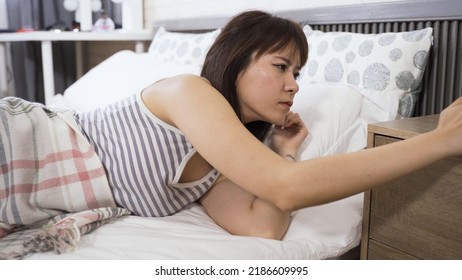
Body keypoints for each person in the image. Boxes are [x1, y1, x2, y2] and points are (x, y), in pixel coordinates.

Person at [2, 10, 462, 242]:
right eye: (282, 67)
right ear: (236, 62)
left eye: (298, 74)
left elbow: (264, 226)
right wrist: (440, 141)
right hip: (26, 146)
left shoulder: (222, 159)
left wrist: (283, 148)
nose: (294, 86)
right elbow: (288, 189)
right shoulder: (189, 91)